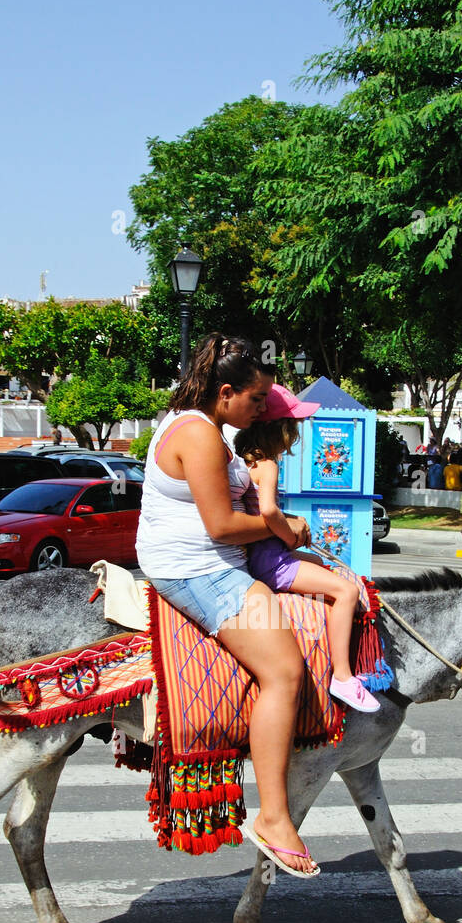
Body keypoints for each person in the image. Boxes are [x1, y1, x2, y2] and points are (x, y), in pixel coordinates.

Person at [136, 333, 319, 878]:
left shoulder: (195, 425)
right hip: (201, 570)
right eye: (257, 398)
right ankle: (275, 817)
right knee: (284, 671)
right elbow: (221, 525)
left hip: (206, 562)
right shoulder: (202, 438)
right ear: (225, 393)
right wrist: (285, 530)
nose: (263, 408)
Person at [234, 384, 380, 715]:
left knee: (318, 562)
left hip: (262, 557)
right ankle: (342, 675)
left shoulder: (246, 461)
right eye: (293, 425)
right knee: (345, 590)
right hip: (273, 561)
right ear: (279, 428)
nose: (297, 433)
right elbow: (269, 512)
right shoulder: (268, 464)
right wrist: (290, 535)